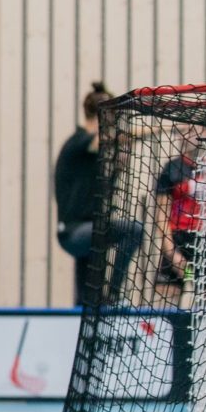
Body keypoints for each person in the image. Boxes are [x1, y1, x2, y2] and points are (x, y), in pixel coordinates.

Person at [54, 82, 144, 305]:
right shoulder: (78, 143)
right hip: (75, 232)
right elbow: (113, 138)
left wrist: (119, 167)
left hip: (87, 229)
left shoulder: (91, 156)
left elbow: (98, 188)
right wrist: (166, 129)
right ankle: (112, 294)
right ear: (104, 115)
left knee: (87, 300)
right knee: (134, 230)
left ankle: (89, 303)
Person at [154, 123, 206, 303]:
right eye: (186, 130)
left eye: (195, 129)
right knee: (166, 297)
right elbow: (161, 212)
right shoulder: (173, 168)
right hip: (179, 240)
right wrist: (170, 251)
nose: (190, 135)